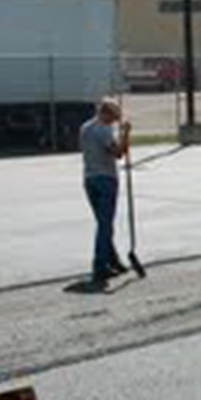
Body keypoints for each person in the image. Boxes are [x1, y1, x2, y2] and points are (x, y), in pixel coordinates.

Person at [79, 98, 130, 289]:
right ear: (106, 113)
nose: (114, 122)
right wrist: (125, 135)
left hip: (89, 178)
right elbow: (118, 153)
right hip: (105, 179)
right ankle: (99, 265)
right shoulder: (103, 129)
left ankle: (113, 260)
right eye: (114, 118)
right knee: (105, 224)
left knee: (103, 223)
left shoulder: (85, 127)